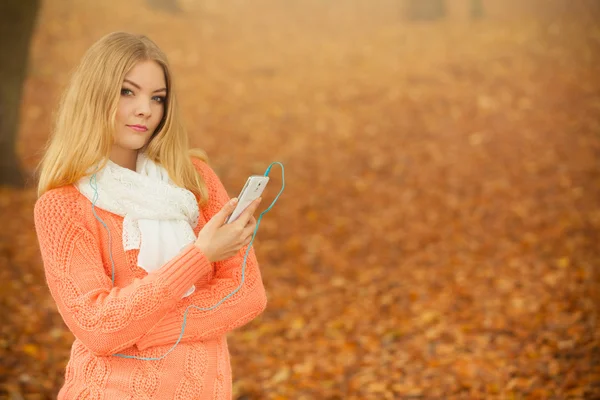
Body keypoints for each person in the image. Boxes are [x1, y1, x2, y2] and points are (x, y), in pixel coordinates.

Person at [33, 31, 267, 399]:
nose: (146, 108)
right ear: (95, 95)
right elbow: (98, 328)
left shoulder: (194, 181)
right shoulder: (63, 206)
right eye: (128, 92)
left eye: (157, 98)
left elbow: (246, 294)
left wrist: (143, 332)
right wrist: (200, 256)